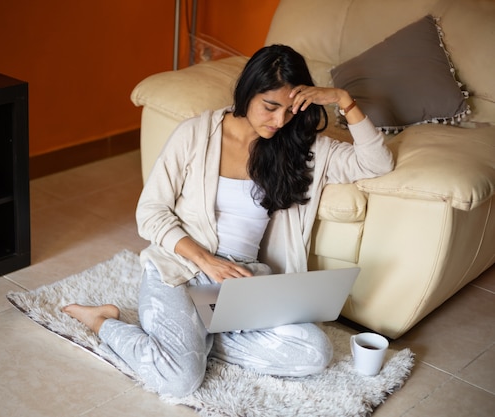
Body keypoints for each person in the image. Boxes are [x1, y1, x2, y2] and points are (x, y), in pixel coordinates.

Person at [63, 44, 394, 397]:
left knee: (315, 351)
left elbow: (377, 163)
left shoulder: (301, 147)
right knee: (180, 381)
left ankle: (191, 339)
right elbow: (150, 212)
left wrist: (343, 99)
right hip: (180, 271)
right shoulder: (195, 134)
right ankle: (104, 321)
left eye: (289, 110)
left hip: (242, 282)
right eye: (270, 107)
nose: (279, 121)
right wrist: (207, 261)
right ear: (248, 92)